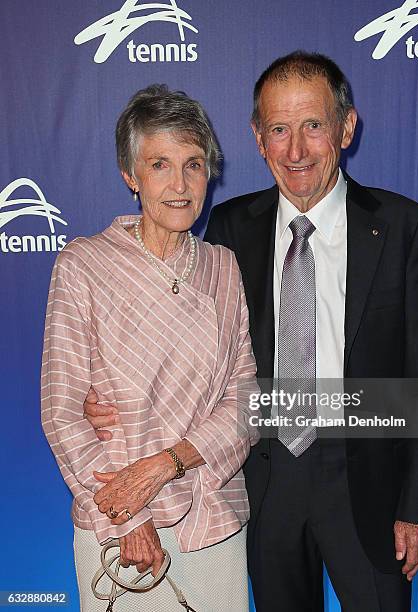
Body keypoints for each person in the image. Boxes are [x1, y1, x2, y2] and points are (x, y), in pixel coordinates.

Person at [85, 52, 418, 611]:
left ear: (346, 128)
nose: (296, 150)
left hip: (369, 483)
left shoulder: (402, 226)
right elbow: (195, 357)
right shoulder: (229, 228)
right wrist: (103, 396)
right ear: (258, 138)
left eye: (313, 126)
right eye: (279, 129)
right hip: (262, 479)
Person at [41, 84, 259, 612]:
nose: (180, 185)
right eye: (160, 164)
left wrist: (167, 464)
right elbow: (63, 410)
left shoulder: (223, 267)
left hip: (213, 515)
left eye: (194, 164)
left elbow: (246, 400)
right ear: (130, 176)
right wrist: (129, 518)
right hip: (118, 523)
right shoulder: (84, 265)